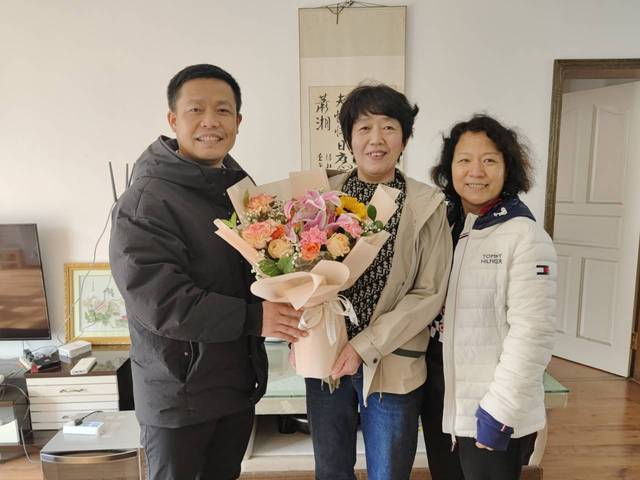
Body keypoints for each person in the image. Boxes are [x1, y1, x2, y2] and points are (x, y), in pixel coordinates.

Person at [109, 64, 306, 480]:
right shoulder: (146, 201)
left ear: (238, 121)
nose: (210, 121)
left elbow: (253, 272)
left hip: (233, 384)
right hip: (178, 396)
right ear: (173, 120)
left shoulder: (239, 190)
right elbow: (162, 302)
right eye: (196, 110)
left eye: (223, 110)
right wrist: (256, 318)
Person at [294, 84, 453, 480]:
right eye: (364, 128)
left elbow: (429, 293)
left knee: (389, 473)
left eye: (388, 127)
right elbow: (298, 274)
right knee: (331, 471)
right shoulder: (321, 197)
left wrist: (364, 345)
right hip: (327, 359)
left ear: (405, 139)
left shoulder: (426, 205)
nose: (376, 139)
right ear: (349, 139)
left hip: (393, 361)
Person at [422, 114, 556, 480]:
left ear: (508, 167)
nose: (476, 171)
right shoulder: (445, 226)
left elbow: (533, 333)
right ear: (449, 168)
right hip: (442, 398)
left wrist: (499, 411)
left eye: (490, 160)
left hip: (492, 408)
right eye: (464, 160)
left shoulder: (524, 235)